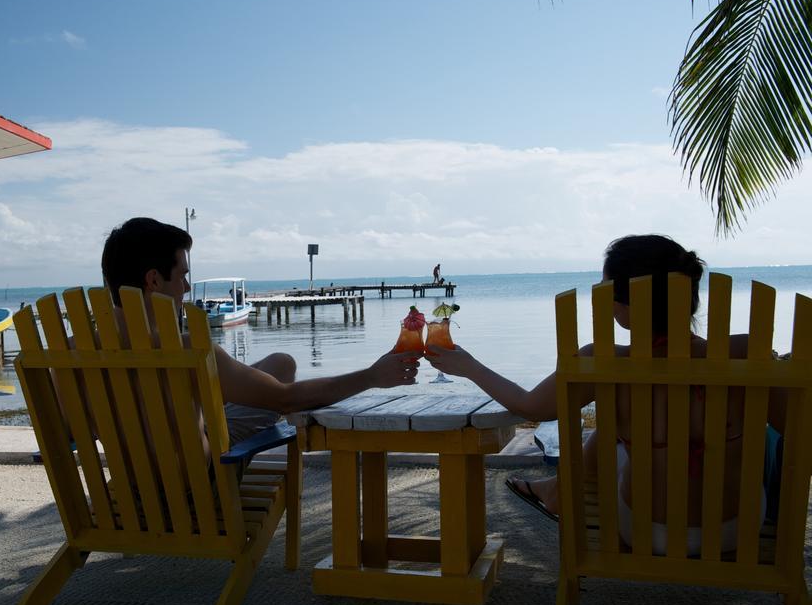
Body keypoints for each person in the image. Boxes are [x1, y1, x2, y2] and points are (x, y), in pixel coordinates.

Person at [424, 234, 787, 555]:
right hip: (735, 530)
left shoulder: (603, 361)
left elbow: (529, 406)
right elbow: (794, 429)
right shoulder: (747, 353)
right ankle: (554, 490)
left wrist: (469, 366)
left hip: (646, 531)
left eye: (606, 289)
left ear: (628, 302)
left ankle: (556, 491)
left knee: (620, 424)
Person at [101, 217, 420, 455]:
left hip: (128, 491)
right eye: (183, 275)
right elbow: (287, 399)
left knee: (280, 362)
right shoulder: (189, 351)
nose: (186, 288)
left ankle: (220, 398)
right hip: (198, 485)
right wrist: (372, 376)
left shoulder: (73, 353)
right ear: (154, 280)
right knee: (279, 385)